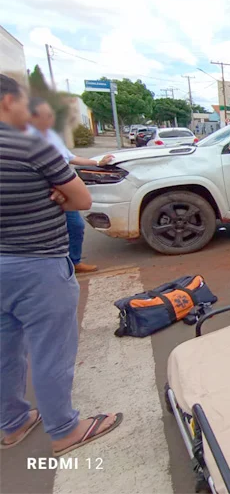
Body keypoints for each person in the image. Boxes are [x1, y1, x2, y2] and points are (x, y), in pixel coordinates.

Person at [0, 74, 122, 455]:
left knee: (4, 348)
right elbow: (82, 199)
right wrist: (54, 195)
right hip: (36, 264)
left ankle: (13, 423)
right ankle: (65, 430)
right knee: (50, 349)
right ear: (7, 102)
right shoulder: (28, 145)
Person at [27, 98, 113, 273]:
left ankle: (74, 262)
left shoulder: (51, 137)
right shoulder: (28, 140)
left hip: (63, 191)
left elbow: (72, 158)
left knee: (75, 226)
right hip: (45, 193)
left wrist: (98, 163)